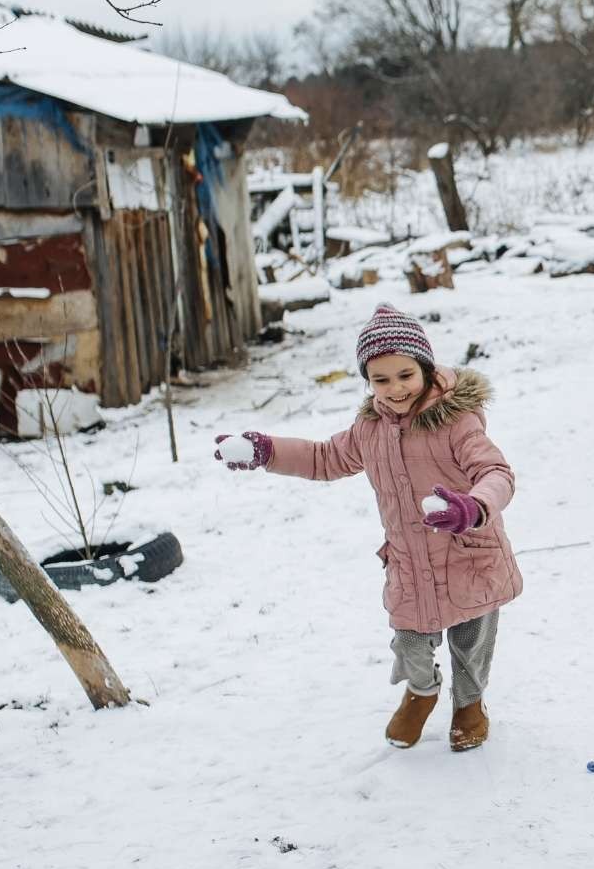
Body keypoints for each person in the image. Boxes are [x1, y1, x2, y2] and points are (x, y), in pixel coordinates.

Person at [217, 304, 520, 753]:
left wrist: (474, 507)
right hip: (410, 563)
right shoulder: (370, 428)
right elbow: (324, 457)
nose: (394, 388)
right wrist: (268, 452)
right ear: (368, 381)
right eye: (380, 380)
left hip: (469, 553)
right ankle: (421, 692)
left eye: (404, 375)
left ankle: (470, 704)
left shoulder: (457, 422)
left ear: (425, 368)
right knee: (411, 641)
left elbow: (497, 472)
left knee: (471, 640)